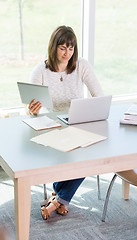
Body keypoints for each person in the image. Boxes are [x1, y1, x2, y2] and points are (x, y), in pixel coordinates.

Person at [28, 25, 104, 220]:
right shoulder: (40, 71)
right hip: (52, 128)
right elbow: (30, 112)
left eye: (71, 49)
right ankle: (61, 199)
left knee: (88, 158)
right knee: (76, 157)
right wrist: (31, 111)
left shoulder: (81, 65)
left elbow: (99, 95)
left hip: (77, 125)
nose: (67, 53)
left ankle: (58, 199)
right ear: (53, 47)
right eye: (63, 48)